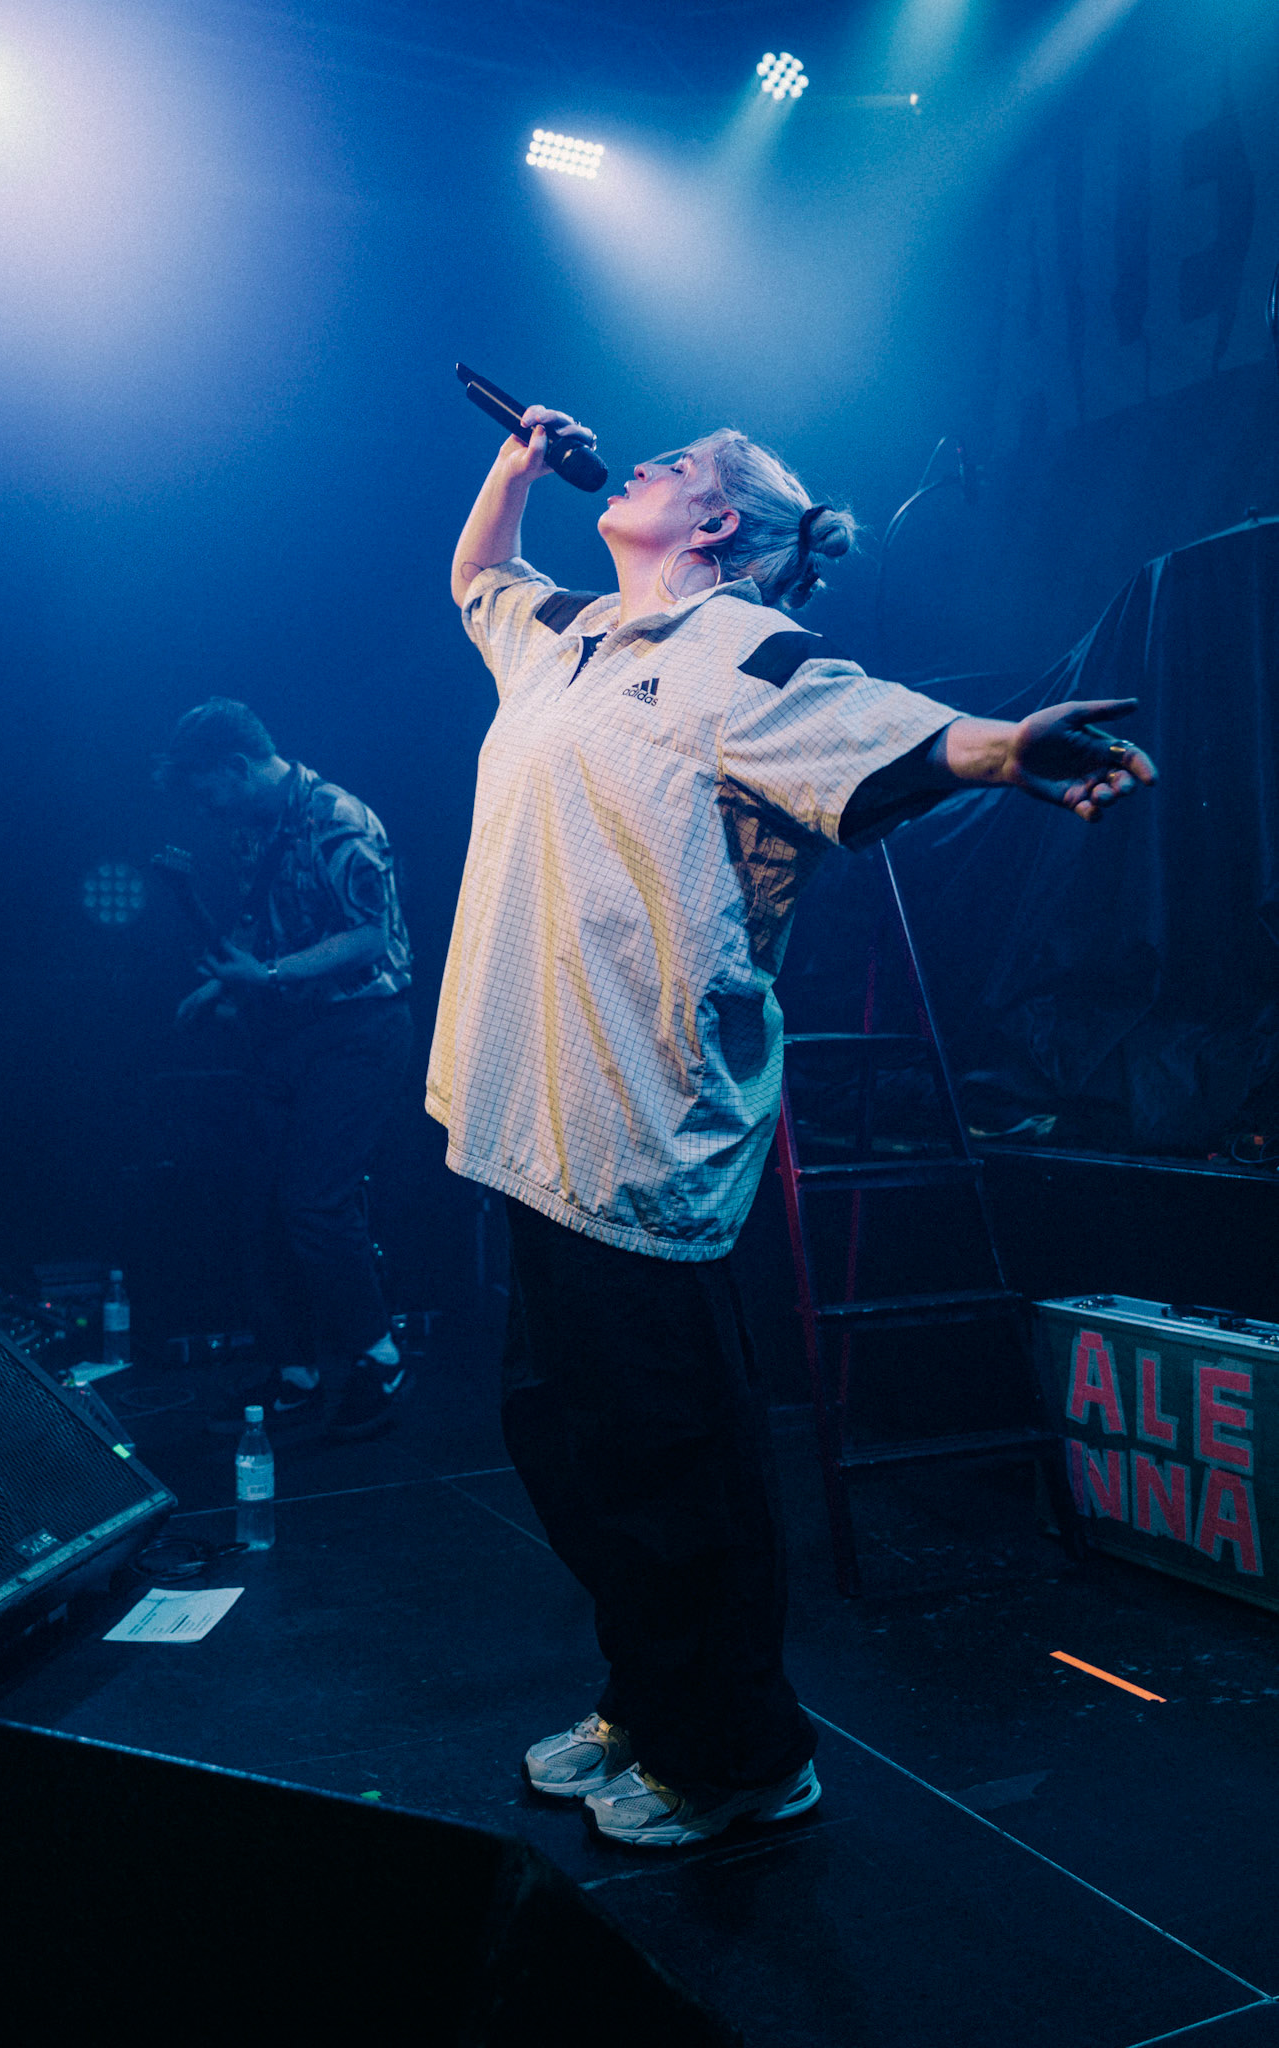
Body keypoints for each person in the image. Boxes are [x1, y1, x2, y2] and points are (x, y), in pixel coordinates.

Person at [429, 407, 1155, 1850]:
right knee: (571, 1450)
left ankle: (746, 1757)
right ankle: (651, 1699)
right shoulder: (571, 638)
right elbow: (481, 582)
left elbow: (892, 730)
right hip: (529, 1114)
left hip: (635, 1130)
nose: (642, 462)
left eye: (677, 465)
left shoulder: (747, 655)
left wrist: (1010, 746)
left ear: (715, 526)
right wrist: (513, 471)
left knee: (672, 1471)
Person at [157, 697, 414, 1441]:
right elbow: (255, 920)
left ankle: (380, 1361)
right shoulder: (251, 828)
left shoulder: (339, 820)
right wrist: (221, 984)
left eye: (205, 789)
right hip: (288, 1032)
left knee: (315, 1201)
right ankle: (296, 1374)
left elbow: (370, 937)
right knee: (266, 1205)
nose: (202, 808)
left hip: (359, 1030)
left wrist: (267, 976)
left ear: (237, 767)